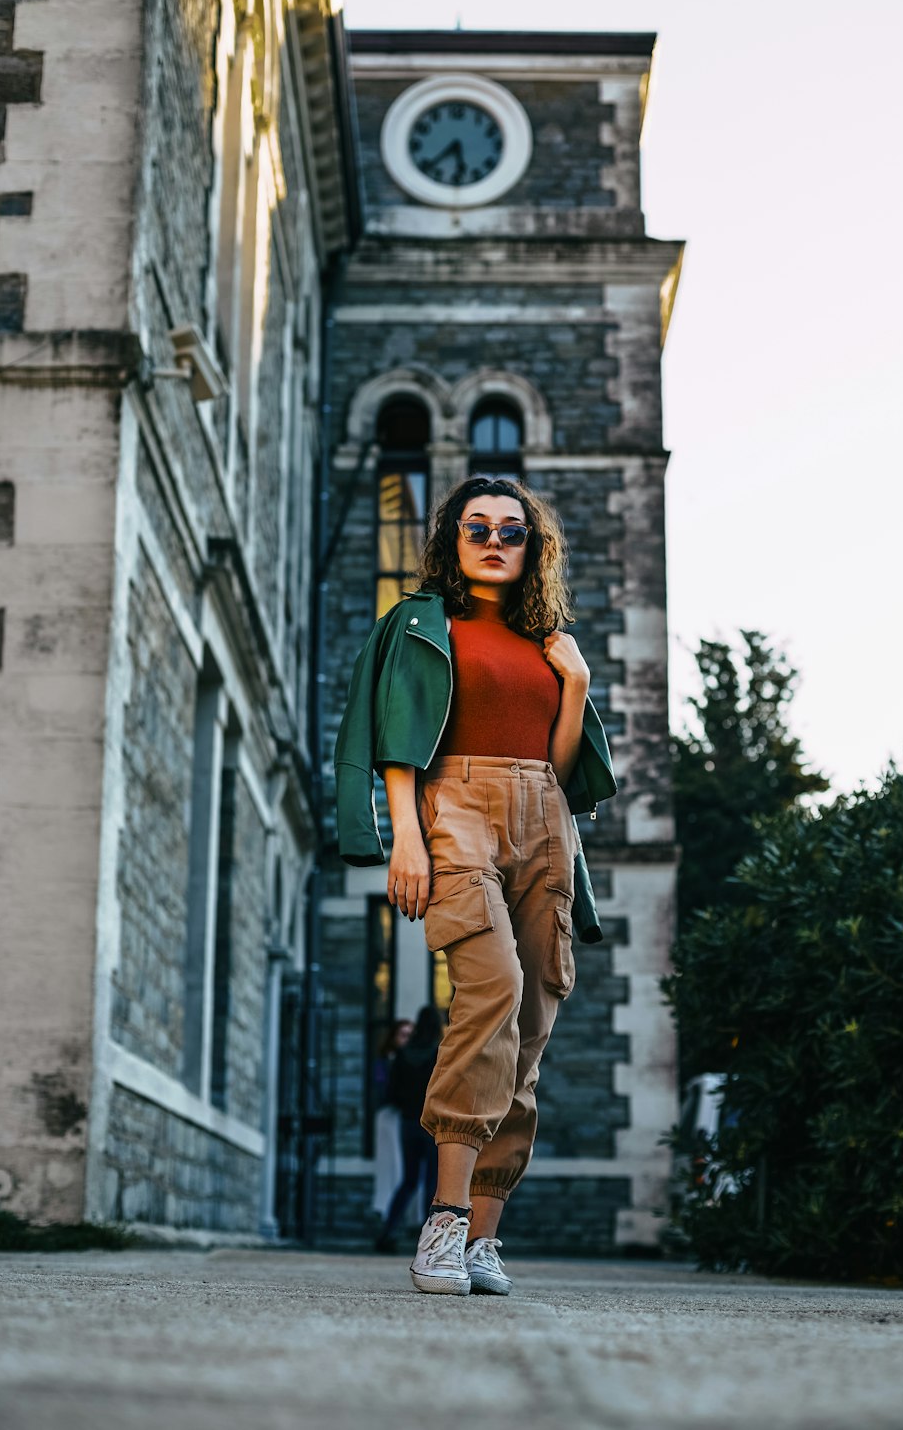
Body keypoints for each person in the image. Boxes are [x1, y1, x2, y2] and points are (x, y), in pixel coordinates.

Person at [334, 475, 617, 1296]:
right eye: (477, 528)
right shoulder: (420, 624)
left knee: (530, 1024)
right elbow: (394, 741)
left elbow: (564, 770)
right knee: (489, 987)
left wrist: (578, 687)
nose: (495, 541)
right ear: (453, 541)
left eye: (512, 531)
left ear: (534, 547)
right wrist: (407, 841)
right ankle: (444, 1219)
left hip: (545, 817)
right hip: (453, 802)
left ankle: (485, 1239)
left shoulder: (548, 642)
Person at [375, 1005, 442, 1252]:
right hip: (432, 1124)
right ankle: (429, 1240)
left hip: (407, 1123)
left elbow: (391, 1092)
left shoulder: (403, 1055)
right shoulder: (439, 1054)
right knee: (431, 1182)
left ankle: (388, 1230)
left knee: (409, 1180)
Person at [371, 1018, 414, 1220]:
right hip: (389, 1114)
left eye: (409, 1035)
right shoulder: (385, 1060)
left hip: (406, 1116)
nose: (406, 1039)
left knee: (403, 1164)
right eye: (403, 1035)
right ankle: (384, 1207)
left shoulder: (412, 1059)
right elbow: (381, 1088)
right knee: (389, 1162)